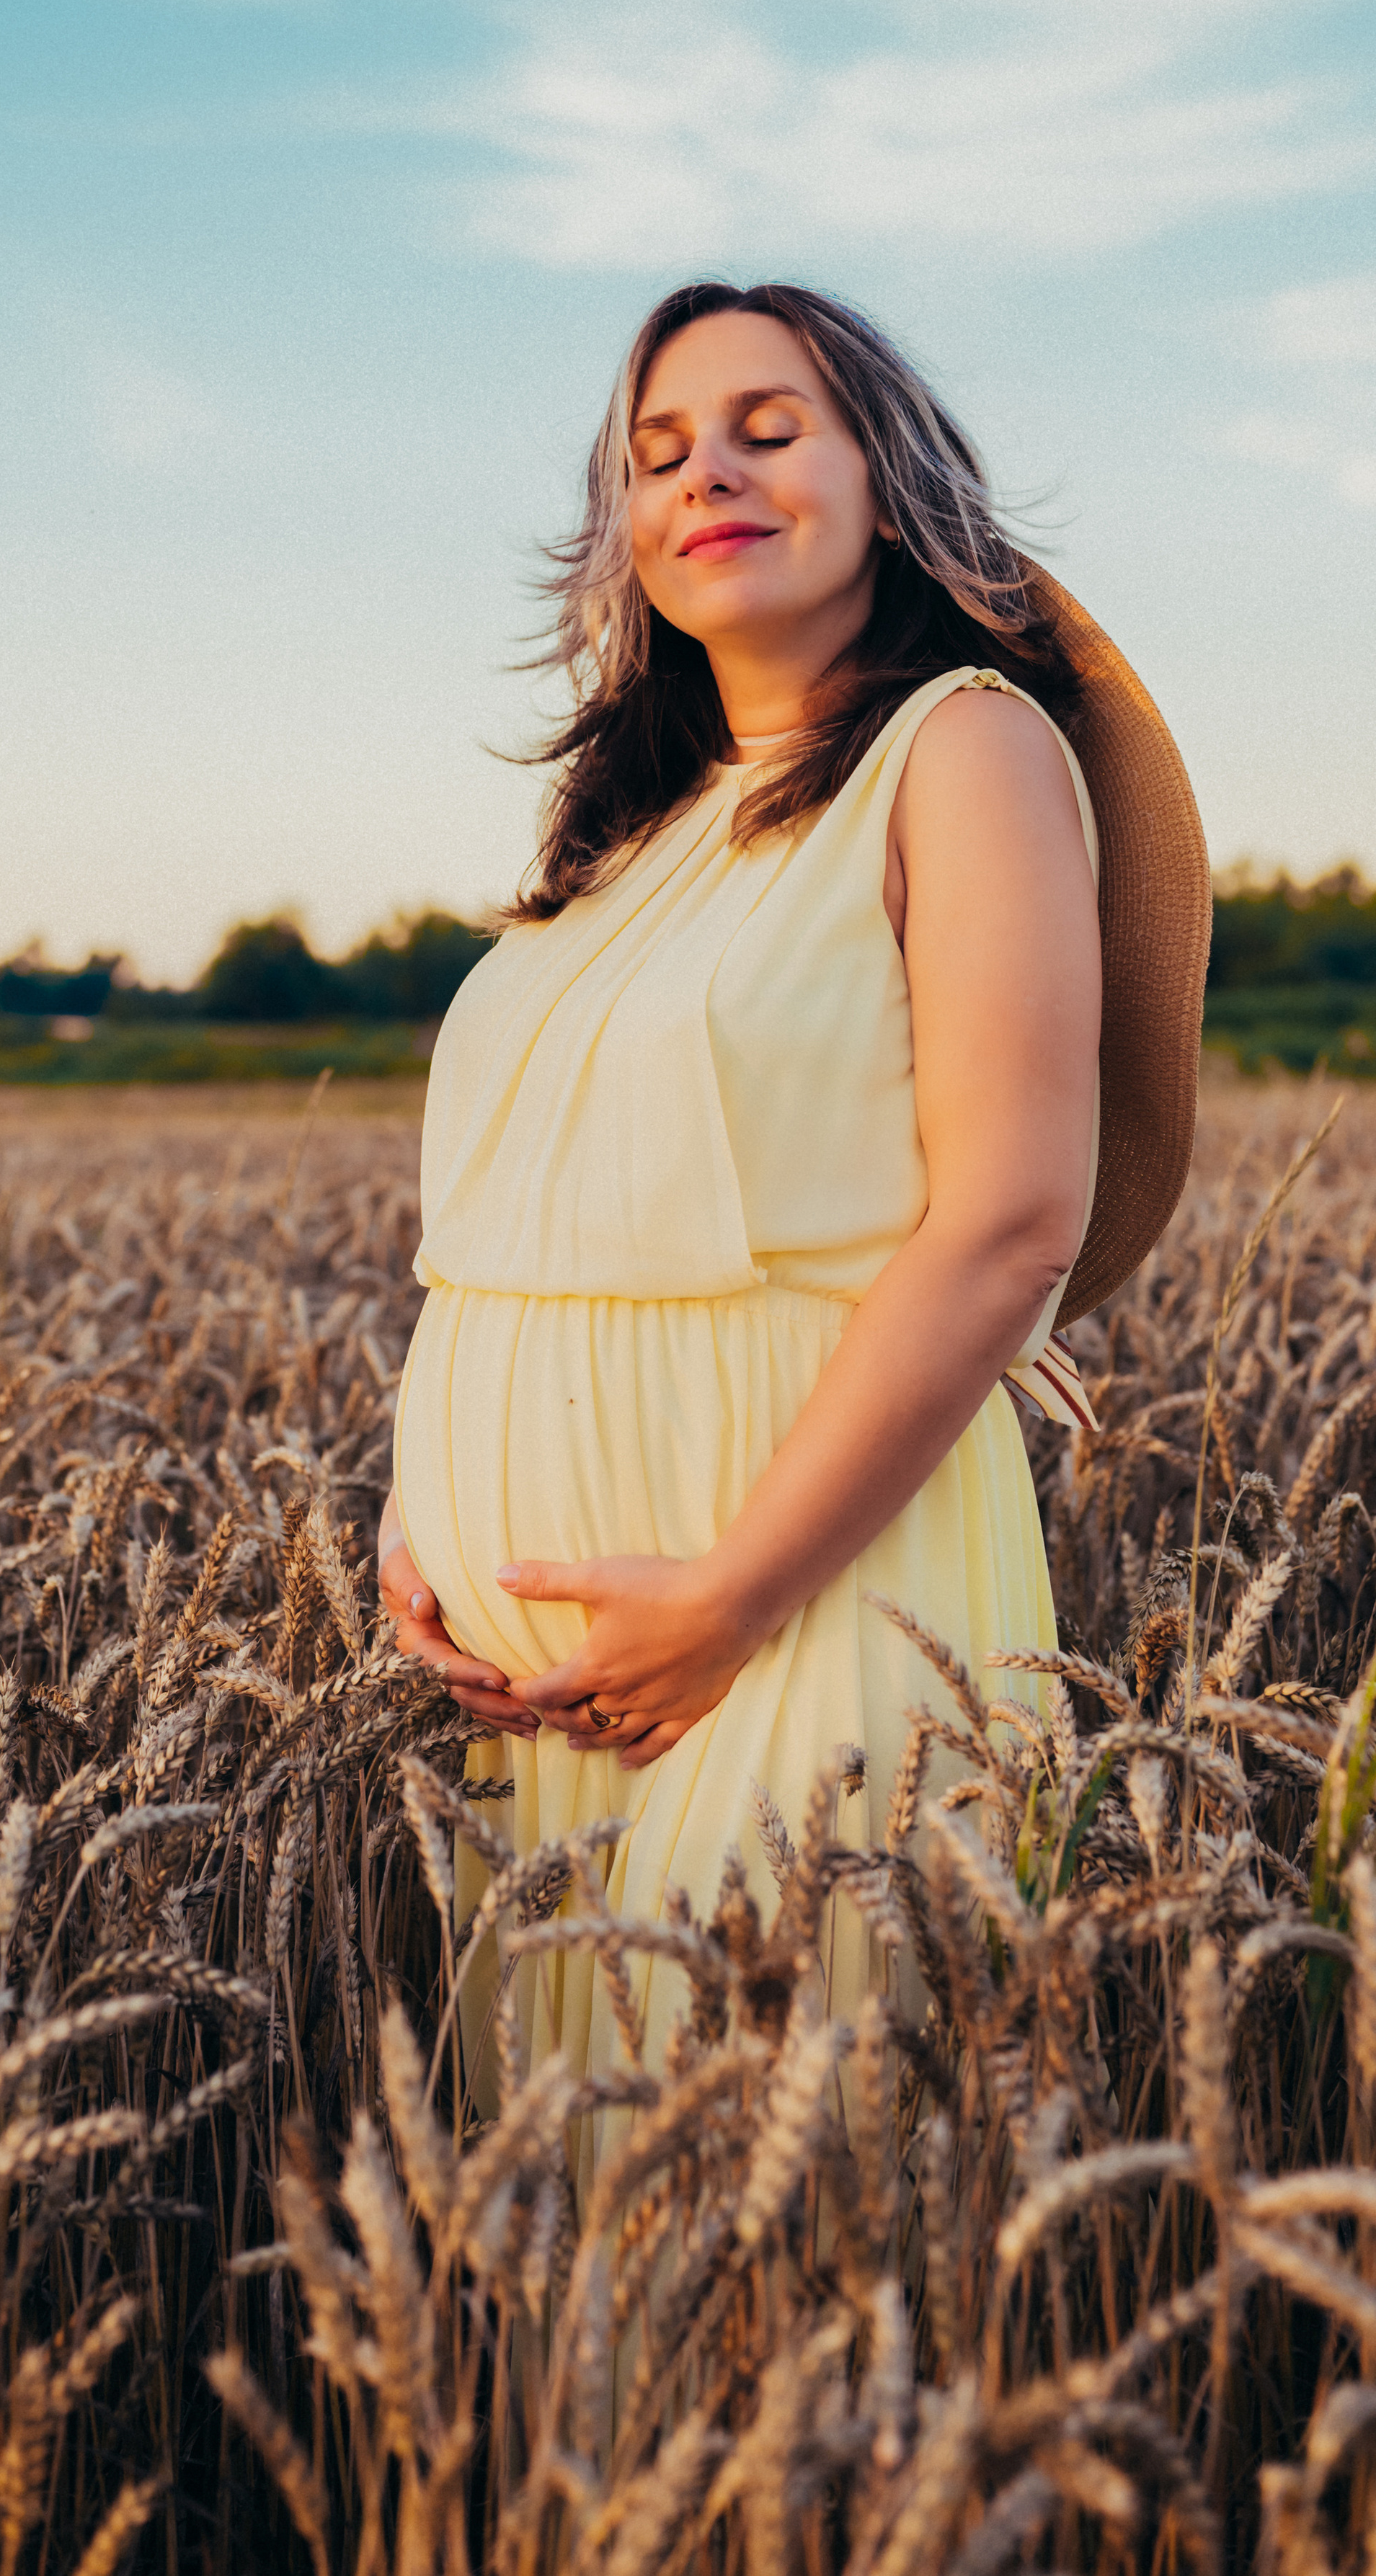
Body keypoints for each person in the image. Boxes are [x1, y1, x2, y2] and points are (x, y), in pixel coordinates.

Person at [376, 281, 1207, 2149]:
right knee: (576, 2262)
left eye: (770, 423)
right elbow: (518, 1223)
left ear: (886, 476)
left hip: (808, 1605)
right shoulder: (628, 833)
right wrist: (417, 1512)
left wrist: (730, 1599)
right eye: (657, 451)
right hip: (547, 1686)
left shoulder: (966, 748)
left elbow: (1011, 1217)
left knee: (801, 2214)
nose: (708, 473)